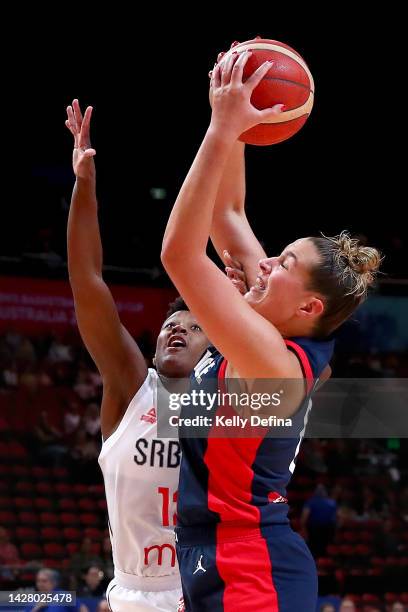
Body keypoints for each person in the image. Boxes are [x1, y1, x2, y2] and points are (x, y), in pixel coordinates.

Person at [161, 50, 381, 611]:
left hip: (253, 566)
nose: (264, 264)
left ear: (308, 306)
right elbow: (227, 213)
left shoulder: (272, 362)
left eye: (280, 263)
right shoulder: (268, 325)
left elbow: (180, 255)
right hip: (213, 554)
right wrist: (241, 112)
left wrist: (220, 129)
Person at [65, 100, 211, 611]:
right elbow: (87, 282)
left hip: (209, 589)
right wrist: (85, 186)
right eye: (172, 324)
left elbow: (318, 379)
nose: (178, 331)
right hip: (139, 595)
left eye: (195, 329)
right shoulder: (132, 388)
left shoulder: (233, 399)